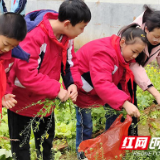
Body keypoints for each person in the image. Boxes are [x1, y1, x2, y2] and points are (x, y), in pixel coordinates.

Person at [3, 0, 91, 160]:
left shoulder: (66, 36)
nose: (82, 32)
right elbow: (26, 75)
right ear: (67, 23)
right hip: (20, 101)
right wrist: (57, 89)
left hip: (45, 101)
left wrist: (72, 83)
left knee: (45, 145)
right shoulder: (34, 35)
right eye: (82, 27)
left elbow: (70, 62)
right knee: (20, 147)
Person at [74, 26, 147, 160]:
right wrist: (125, 102)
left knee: (113, 115)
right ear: (123, 42)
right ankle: (82, 152)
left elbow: (122, 82)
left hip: (99, 89)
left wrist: (127, 102)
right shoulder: (105, 53)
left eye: (138, 53)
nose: (134, 56)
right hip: (82, 88)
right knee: (86, 123)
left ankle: (106, 148)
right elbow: (102, 82)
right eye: (134, 52)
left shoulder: (122, 55)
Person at [105, 5, 160, 136]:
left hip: (131, 78)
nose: (158, 41)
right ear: (146, 29)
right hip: (117, 75)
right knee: (115, 109)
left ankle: (130, 140)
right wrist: (156, 94)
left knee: (132, 105)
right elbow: (134, 66)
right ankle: (111, 141)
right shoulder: (132, 35)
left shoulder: (157, 36)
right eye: (156, 37)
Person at [0, 12, 27, 119]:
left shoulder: (8, 58)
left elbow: (5, 80)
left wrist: (3, 95)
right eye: (6, 44)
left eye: (13, 46)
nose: (7, 49)